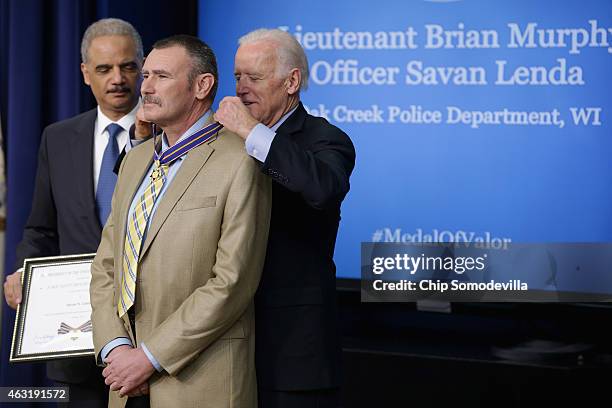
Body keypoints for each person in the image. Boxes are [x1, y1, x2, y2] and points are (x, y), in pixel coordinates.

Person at [89, 34, 271, 408]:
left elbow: (232, 283)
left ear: (202, 86)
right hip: (124, 383)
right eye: (146, 76)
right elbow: (106, 265)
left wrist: (149, 357)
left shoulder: (242, 161)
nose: (147, 87)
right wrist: (116, 348)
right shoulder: (136, 162)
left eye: (162, 77)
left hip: (200, 384)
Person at [3, 18, 149, 407]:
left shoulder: (168, 137)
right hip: (75, 342)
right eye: (104, 69)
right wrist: (23, 271)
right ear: (86, 74)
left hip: (148, 340)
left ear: (144, 67)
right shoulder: (58, 137)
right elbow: (40, 227)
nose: (117, 78)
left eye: (128, 66)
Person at [215, 28, 356, 408]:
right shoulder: (221, 140)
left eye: (255, 78)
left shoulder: (326, 139)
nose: (242, 89)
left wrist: (251, 131)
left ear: (292, 81)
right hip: (221, 349)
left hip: (291, 353)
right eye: (237, 77)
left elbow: (322, 187)